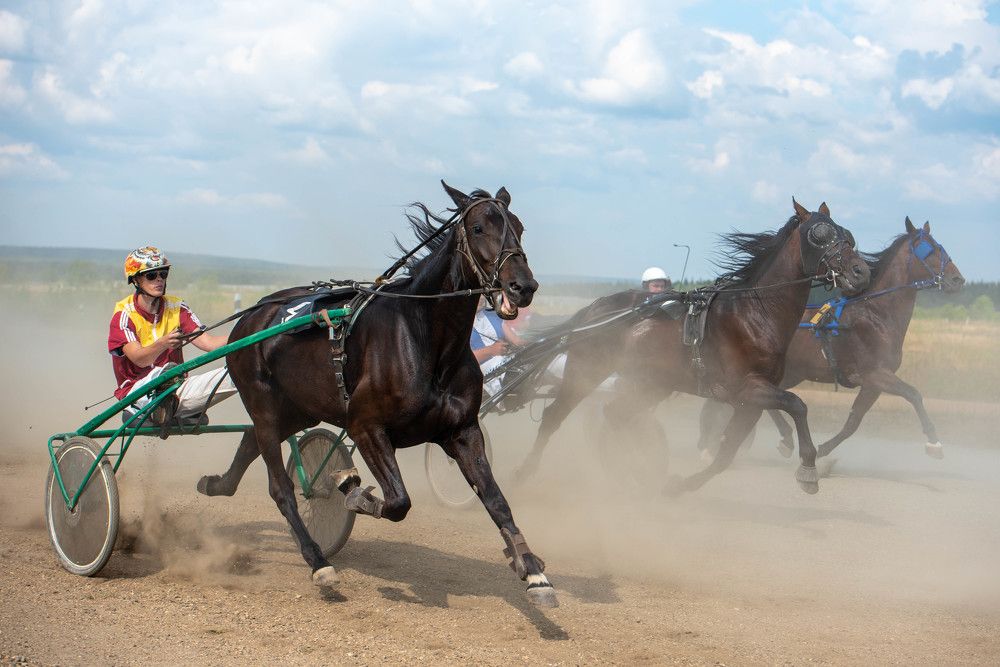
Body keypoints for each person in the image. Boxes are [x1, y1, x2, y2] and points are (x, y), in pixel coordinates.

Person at [108, 246, 237, 424]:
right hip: (136, 394)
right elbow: (139, 359)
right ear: (136, 279)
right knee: (165, 373)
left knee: (239, 371)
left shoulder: (177, 307)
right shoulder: (124, 315)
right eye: (152, 275)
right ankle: (151, 410)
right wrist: (163, 343)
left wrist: (248, 333)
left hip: (176, 389)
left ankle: (174, 409)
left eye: (163, 274)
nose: (159, 280)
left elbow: (209, 343)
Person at [470, 296, 530, 396]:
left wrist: (537, 342)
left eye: (482, 294)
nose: (481, 298)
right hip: (481, 369)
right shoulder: (457, 324)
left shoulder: (492, 314)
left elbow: (516, 341)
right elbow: (462, 360)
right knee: (515, 374)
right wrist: (491, 350)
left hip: (506, 360)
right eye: (478, 294)